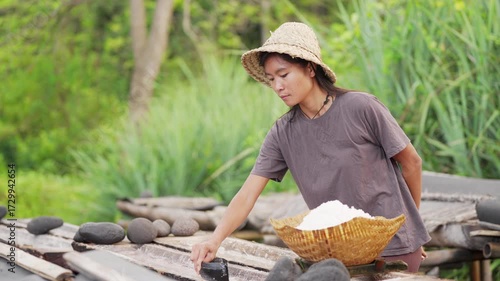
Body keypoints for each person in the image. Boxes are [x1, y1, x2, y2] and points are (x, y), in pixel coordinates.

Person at [190, 22, 431, 273]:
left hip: (395, 248)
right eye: (271, 79)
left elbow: (412, 162)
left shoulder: (362, 107)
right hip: (337, 255)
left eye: (284, 75)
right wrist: (214, 240)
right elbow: (247, 195)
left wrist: (409, 227)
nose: (277, 86)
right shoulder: (283, 132)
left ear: (310, 68)